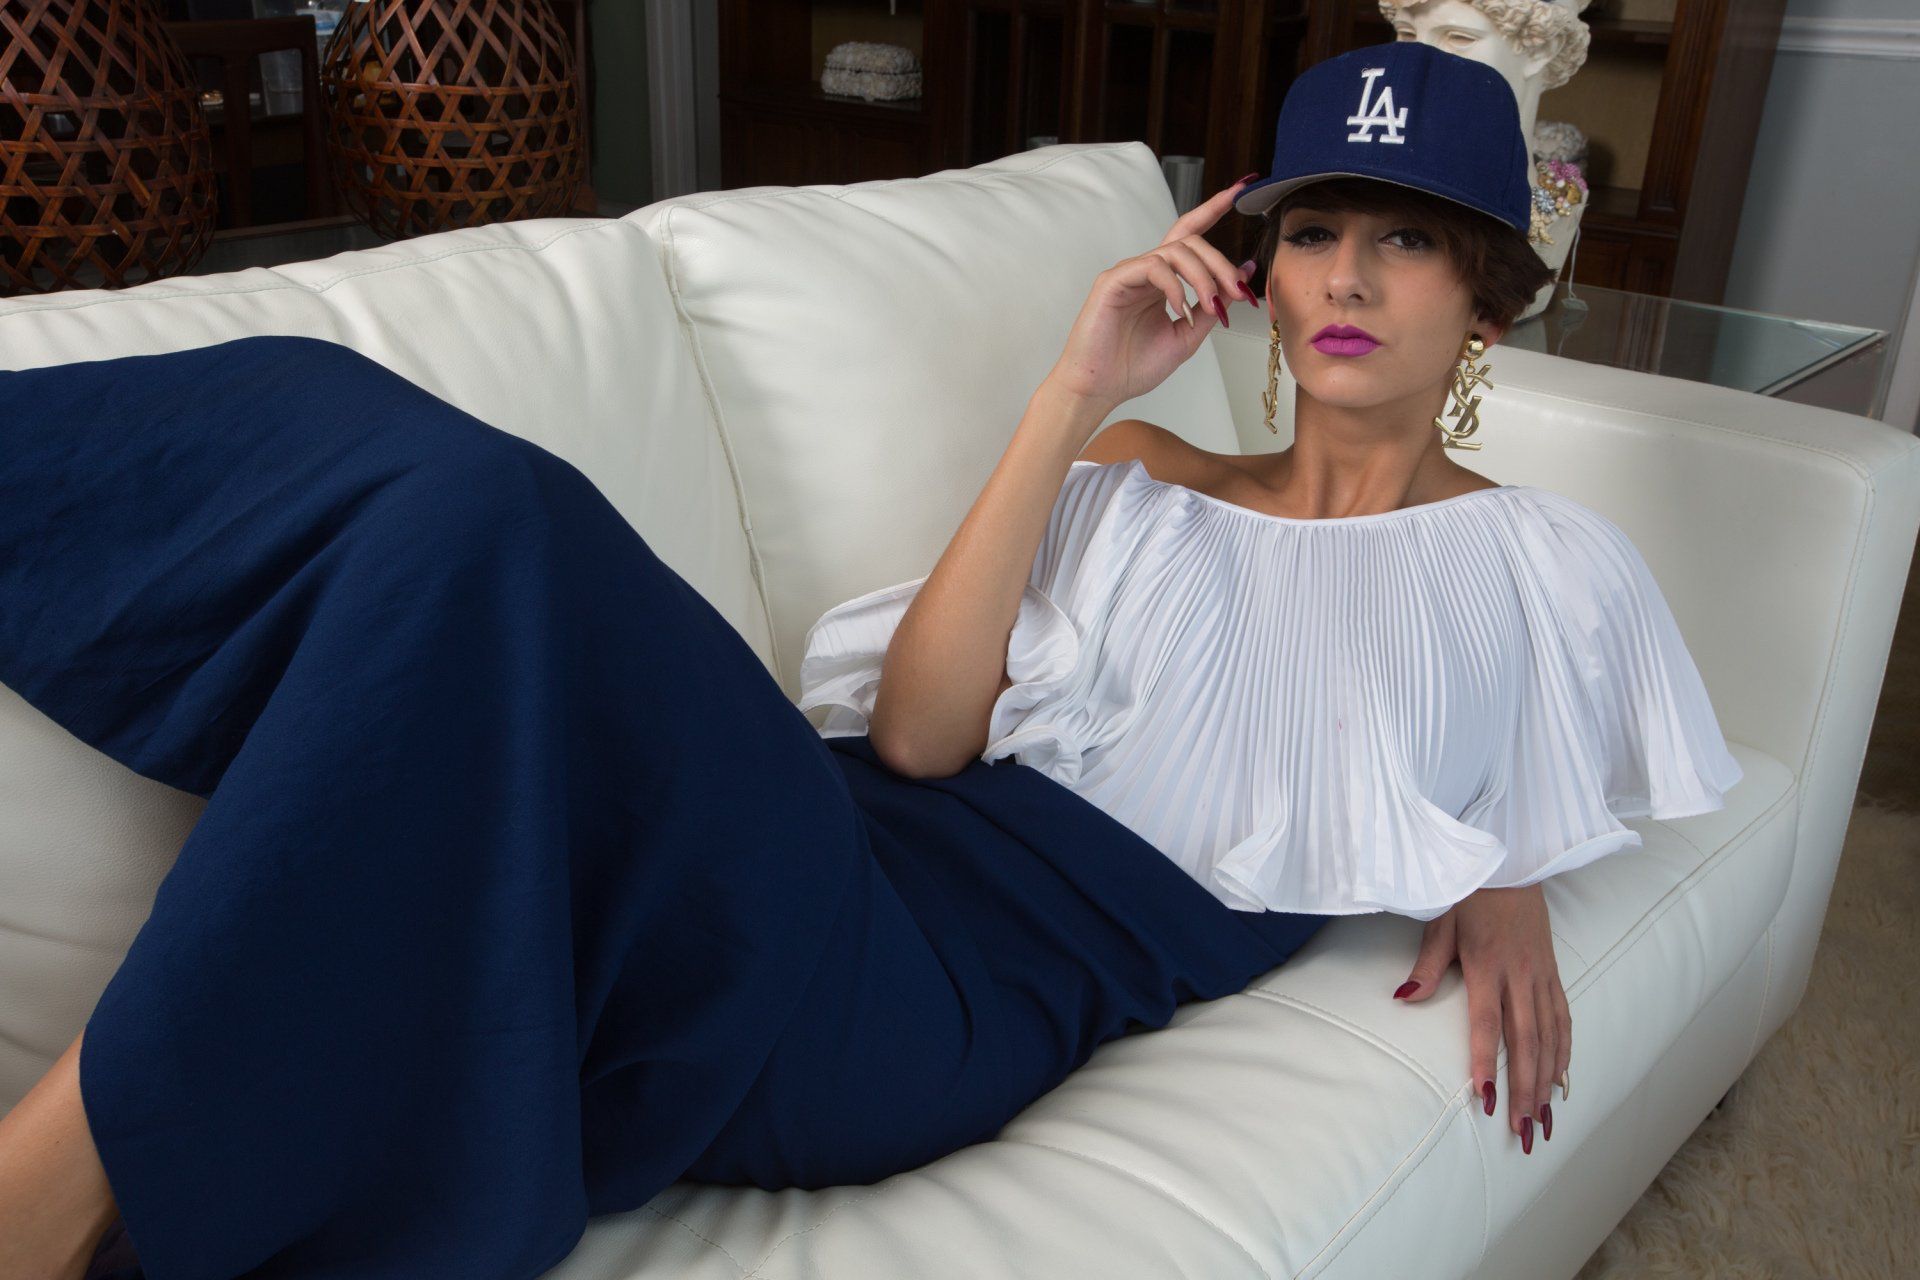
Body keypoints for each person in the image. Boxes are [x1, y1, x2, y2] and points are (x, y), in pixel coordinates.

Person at [0, 41, 1736, 1280]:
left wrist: (1511, 860)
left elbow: (1530, 758)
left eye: (1408, 237)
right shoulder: (1137, 478)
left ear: (1490, 298)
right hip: (806, 834)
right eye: (1311, 233)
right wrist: (1072, 396)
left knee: (491, 527)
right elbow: (915, 737)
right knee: (444, 491)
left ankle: (47, 1187)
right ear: (1256, 273)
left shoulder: (1539, 557)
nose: (1346, 276)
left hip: (925, 1002)